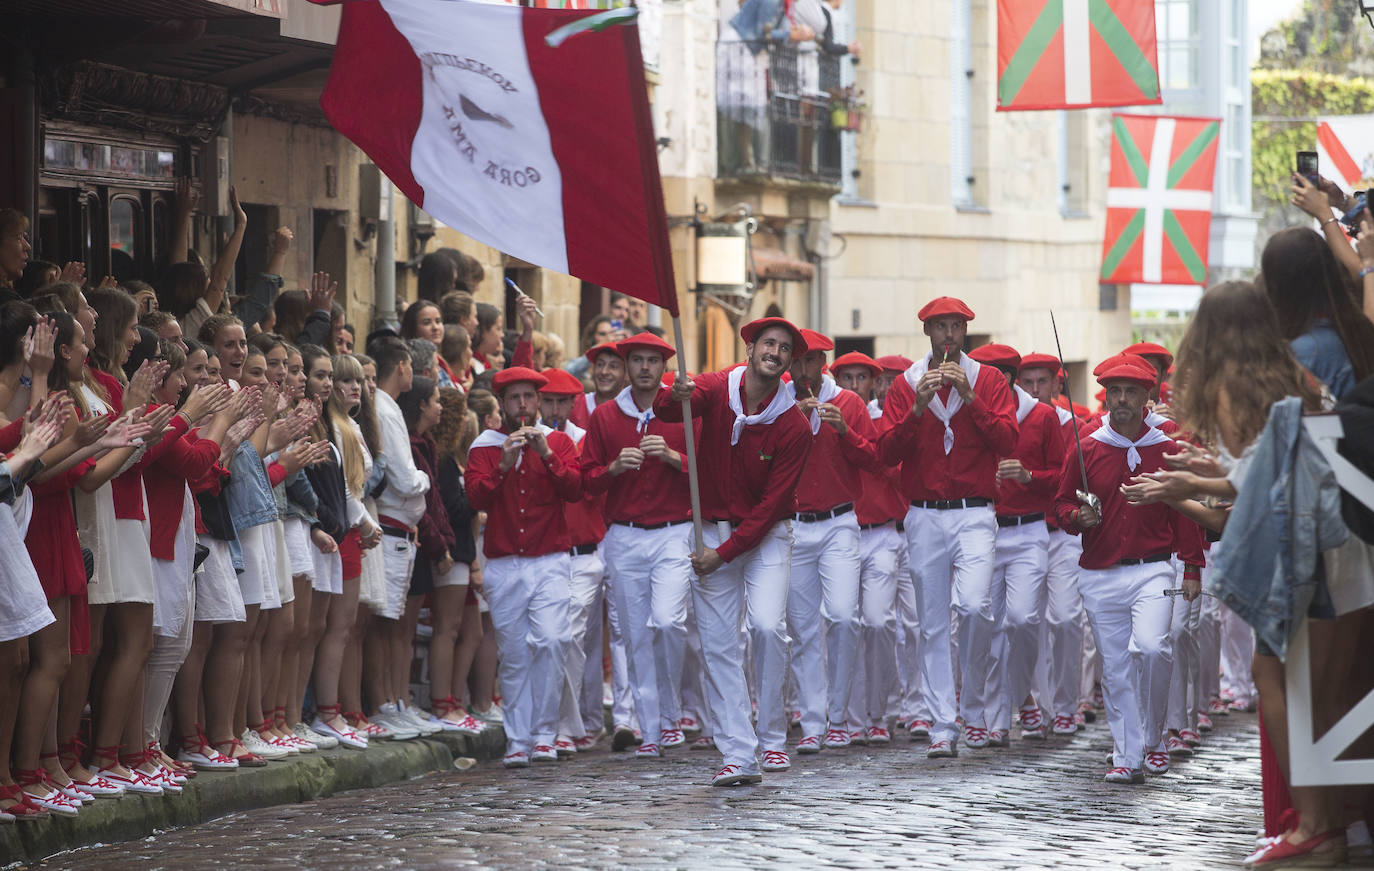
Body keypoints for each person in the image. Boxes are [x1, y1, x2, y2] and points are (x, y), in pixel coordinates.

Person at [657, 317, 811, 786]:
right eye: (769, 343)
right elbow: (668, 408)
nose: (776, 352)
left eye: (785, 349)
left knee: (767, 627)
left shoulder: (796, 425)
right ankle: (737, 754)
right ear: (751, 348)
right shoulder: (716, 387)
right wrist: (673, 392)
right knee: (719, 645)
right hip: (710, 528)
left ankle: (771, 737)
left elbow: (770, 509)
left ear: (789, 362)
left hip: (764, 536)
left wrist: (721, 555)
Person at [1052, 353, 1204, 784]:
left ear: (1147, 397)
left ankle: (1154, 738)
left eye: (1130, 392)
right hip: (1099, 573)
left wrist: (1192, 565)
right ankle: (1128, 753)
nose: (1121, 400)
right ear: (1106, 395)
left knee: (1153, 649)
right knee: (1116, 666)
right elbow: (1062, 503)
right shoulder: (1087, 447)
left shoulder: (1167, 448)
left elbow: (1184, 512)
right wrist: (1075, 518)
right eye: (1114, 391)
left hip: (1153, 569)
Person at [878, 297, 1017, 757]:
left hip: (976, 510)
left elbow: (1008, 440)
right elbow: (886, 454)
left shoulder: (989, 380)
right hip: (923, 513)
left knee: (976, 607)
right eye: (940, 328)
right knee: (932, 622)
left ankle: (973, 706)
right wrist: (916, 408)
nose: (949, 336)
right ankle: (943, 723)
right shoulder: (905, 385)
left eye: (956, 327)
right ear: (927, 334)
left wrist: (973, 400)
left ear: (965, 332)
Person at [580, 332, 697, 760]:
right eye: (637, 360)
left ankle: (672, 714)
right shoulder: (606, 416)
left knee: (666, 623)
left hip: (673, 532)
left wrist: (673, 457)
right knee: (634, 636)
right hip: (624, 534)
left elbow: (708, 469)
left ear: (664, 367)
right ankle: (651, 728)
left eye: (653, 360)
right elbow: (584, 479)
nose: (645, 367)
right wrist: (611, 468)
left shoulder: (683, 409)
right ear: (627, 366)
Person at [466, 366, 582, 768]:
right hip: (502, 562)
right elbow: (475, 498)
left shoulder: (559, 442)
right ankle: (518, 739)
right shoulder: (484, 446)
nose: (521, 405)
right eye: (513, 398)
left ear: (537, 401)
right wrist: (503, 464)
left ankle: (545, 734)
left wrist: (546, 456)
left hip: (549, 559)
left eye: (527, 398)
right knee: (514, 654)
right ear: (502, 404)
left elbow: (574, 488)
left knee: (551, 642)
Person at [782, 329, 878, 759]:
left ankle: (839, 718)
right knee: (802, 630)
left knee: (842, 617)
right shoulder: (778, 401)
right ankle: (812, 721)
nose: (804, 370)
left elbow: (874, 460)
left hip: (839, 521)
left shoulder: (851, 404)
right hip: (795, 525)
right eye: (796, 361)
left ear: (823, 362)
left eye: (811, 361)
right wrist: (789, 422)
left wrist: (845, 432)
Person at [966, 343, 1063, 744]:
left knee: (1023, 620)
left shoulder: (1042, 416)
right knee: (985, 626)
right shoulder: (970, 415)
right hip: (983, 529)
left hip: (1028, 532)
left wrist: (1028, 476)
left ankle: (1024, 695)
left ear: (1006, 379)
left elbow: (1062, 478)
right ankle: (1004, 711)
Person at [830, 351, 916, 742]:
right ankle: (849, 716)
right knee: (843, 624)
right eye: (845, 377)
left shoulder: (886, 424)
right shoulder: (826, 420)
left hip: (882, 533)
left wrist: (857, 440)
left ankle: (881, 711)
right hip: (842, 531)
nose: (852, 385)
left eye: (860, 378)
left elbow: (895, 472)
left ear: (875, 384)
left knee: (879, 622)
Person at [536, 368, 617, 754]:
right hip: (543, 554)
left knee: (572, 639)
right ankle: (565, 722)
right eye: (546, 401)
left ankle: (570, 725)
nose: (553, 409)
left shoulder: (586, 441)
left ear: (572, 405)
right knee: (551, 641)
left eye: (559, 402)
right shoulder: (527, 440)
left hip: (584, 553)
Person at [1015, 352, 1087, 736]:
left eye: (1042, 382)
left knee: (1064, 618)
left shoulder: (1071, 424)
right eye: (1027, 382)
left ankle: (1065, 705)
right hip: (1024, 531)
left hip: (1061, 534)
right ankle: (1030, 701)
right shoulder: (1013, 420)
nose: (1035, 389)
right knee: (1027, 622)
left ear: (1058, 385)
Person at [569, 340, 628, 430]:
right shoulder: (574, 406)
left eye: (613, 366)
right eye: (600, 365)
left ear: (626, 373)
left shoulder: (633, 410)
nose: (604, 372)